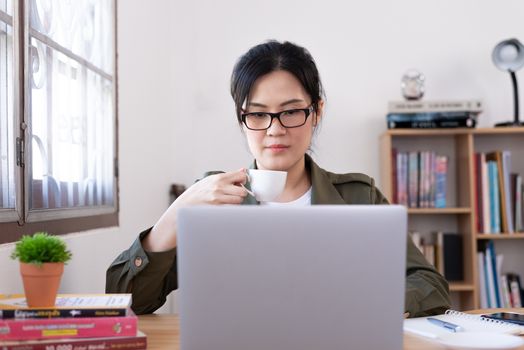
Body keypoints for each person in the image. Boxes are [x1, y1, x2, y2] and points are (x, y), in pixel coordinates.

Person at [106, 40, 450, 317]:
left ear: (316, 112)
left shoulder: (358, 196)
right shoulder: (213, 198)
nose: (275, 129)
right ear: (242, 119)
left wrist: (369, 304)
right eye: (258, 114)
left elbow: (429, 283)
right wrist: (176, 213)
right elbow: (128, 300)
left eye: (290, 111)